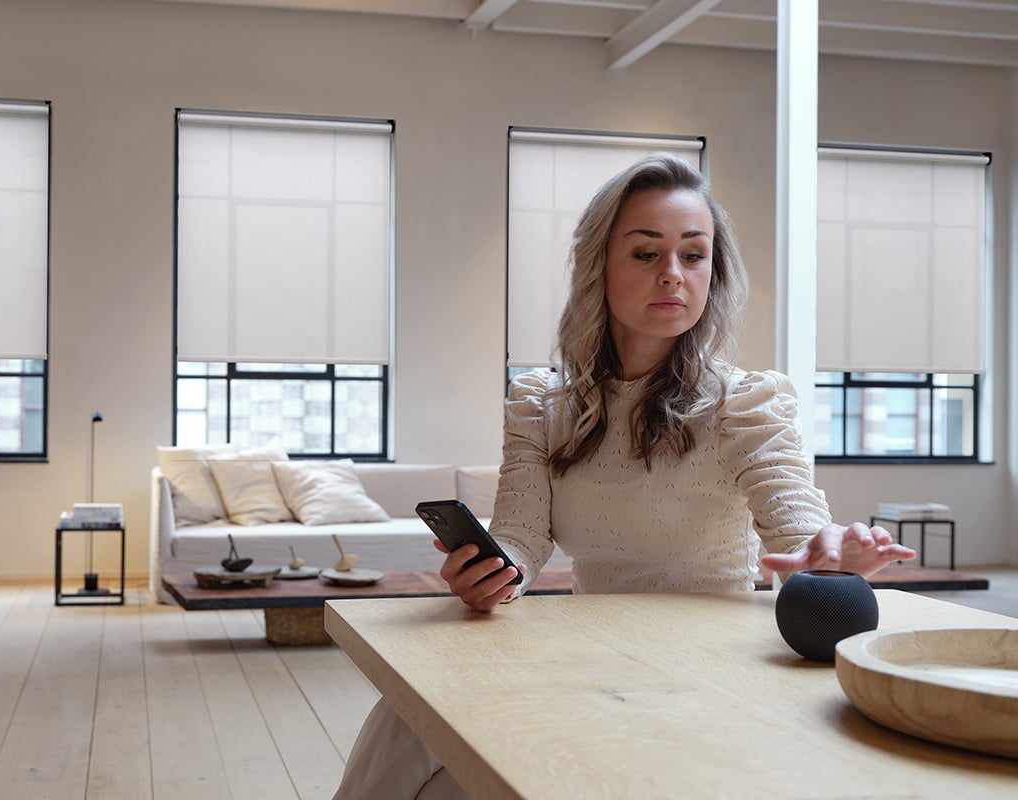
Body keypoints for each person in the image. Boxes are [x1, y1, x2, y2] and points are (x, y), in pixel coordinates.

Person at [332, 152, 916, 800]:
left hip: (709, 664)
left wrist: (824, 552)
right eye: (646, 253)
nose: (673, 274)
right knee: (409, 714)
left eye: (693, 255)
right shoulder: (541, 404)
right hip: (585, 647)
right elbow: (522, 536)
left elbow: (796, 519)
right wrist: (497, 575)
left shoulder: (746, 403)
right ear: (599, 266)